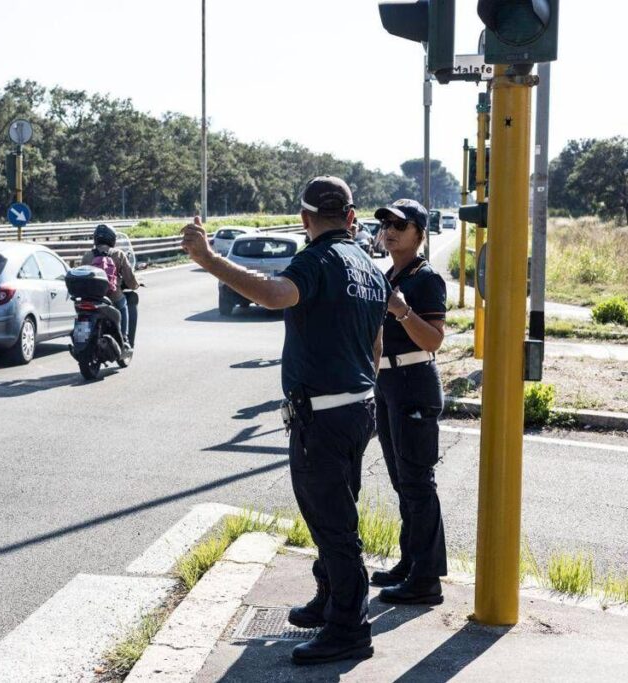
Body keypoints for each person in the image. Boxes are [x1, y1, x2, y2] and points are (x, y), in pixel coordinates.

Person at [181, 176, 389, 665]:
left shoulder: (316, 260)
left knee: (333, 522)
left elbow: (276, 294)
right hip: (359, 406)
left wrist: (210, 260)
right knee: (335, 511)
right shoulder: (368, 267)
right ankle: (330, 599)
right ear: (352, 217)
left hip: (325, 414)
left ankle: (349, 628)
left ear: (305, 219)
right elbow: (376, 345)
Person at [368, 199, 449, 604]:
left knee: (418, 482)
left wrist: (401, 312)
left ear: (420, 232)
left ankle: (427, 579)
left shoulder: (425, 278)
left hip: (414, 380)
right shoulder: (387, 274)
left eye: (400, 223)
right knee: (403, 482)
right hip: (388, 383)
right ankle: (410, 562)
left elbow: (434, 340)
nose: (390, 229)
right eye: (385, 223)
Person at [81, 224, 139, 346]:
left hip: (91, 297)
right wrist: (135, 285)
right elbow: (129, 278)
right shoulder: (118, 254)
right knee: (123, 305)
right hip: (112, 296)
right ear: (112, 238)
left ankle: (81, 338)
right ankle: (124, 338)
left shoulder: (87, 256)